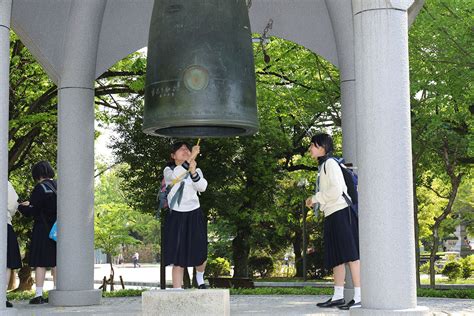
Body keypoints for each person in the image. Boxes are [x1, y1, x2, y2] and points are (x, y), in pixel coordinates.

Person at [305, 133, 361, 310]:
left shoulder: (330, 164)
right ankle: (338, 296)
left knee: (351, 255)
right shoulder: (323, 166)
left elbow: (337, 190)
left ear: (322, 147)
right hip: (332, 213)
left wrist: (315, 198)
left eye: (312, 145)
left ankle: (359, 296)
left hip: (342, 212)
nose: (310, 149)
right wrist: (317, 199)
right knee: (337, 256)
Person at [163, 141, 208, 289]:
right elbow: (177, 176)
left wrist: (194, 172)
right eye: (180, 149)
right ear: (173, 155)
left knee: (200, 249)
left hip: (194, 213)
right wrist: (192, 157)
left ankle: (200, 280)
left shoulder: (197, 169)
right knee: (178, 255)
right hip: (176, 215)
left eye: (187, 149)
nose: (185, 150)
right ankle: (177, 290)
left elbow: (202, 187)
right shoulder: (168, 171)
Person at [18, 161, 57, 304]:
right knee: (56, 262)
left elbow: (32, 211)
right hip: (58, 230)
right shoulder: (59, 186)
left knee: (41, 262)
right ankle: (56, 291)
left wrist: (21, 207)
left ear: (37, 174)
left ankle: (38, 295)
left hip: (43, 229)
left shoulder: (40, 188)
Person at [6, 181, 22, 308]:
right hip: (4, 223)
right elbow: (13, 204)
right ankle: (1, 296)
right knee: (7, 262)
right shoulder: (5, 183)